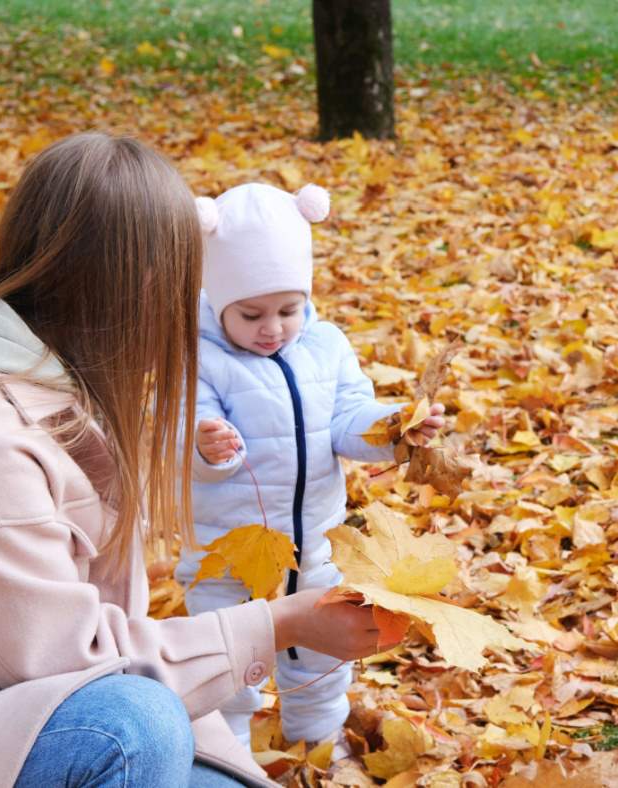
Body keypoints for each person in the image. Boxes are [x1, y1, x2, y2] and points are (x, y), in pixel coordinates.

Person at [0, 133, 384, 787]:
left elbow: (117, 639)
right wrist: (279, 623)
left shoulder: (42, 378)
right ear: (147, 286)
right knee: (132, 726)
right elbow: (81, 665)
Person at [175, 182, 444, 754]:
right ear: (219, 299)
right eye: (251, 314)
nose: (272, 327)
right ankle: (227, 758)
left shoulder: (323, 345)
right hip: (229, 558)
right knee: (226, 671)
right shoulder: (200, 360)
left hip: (315, 550)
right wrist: (205, 448)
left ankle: (319, 745)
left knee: (320, 662)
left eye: (288, 309)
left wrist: (391, 430)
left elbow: (348, 416)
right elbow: (181, 437)